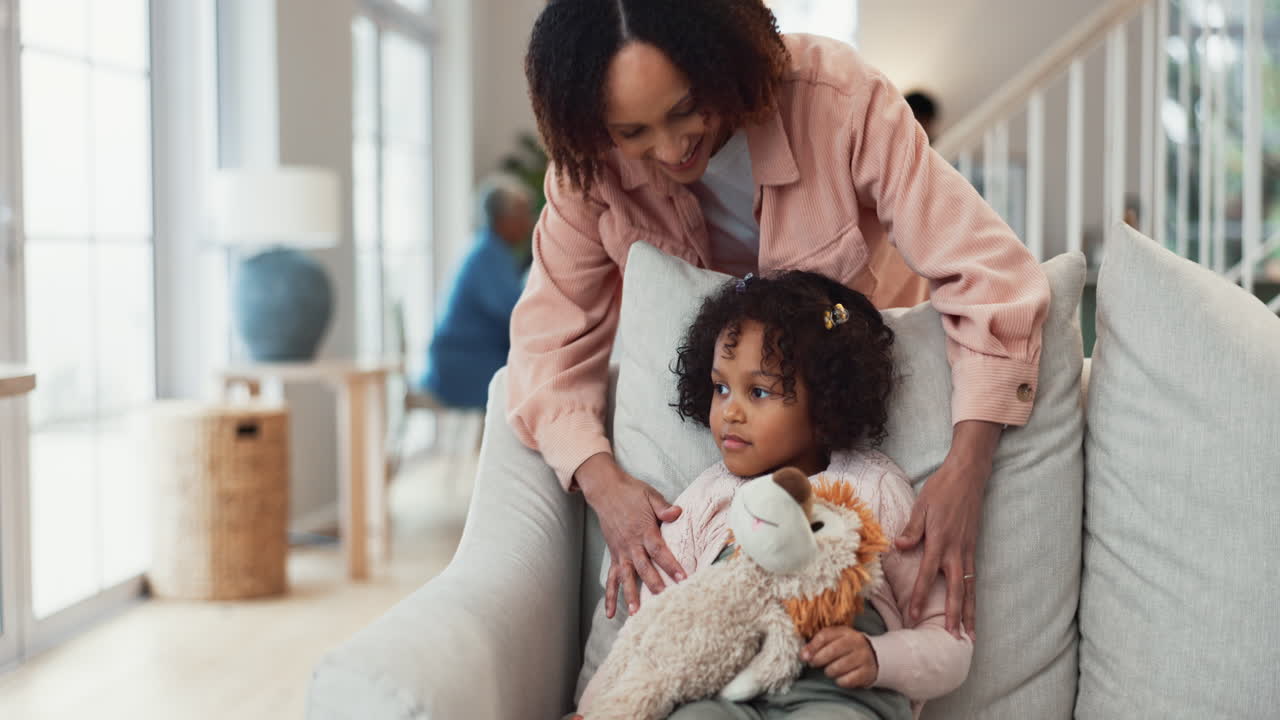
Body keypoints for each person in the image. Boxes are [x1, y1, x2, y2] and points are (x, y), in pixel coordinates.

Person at [510, 0, 1050, 639]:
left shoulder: (839, 99)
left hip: (855, 397)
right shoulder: (589, 170)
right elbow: (545, 347)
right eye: (633, 132)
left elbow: (996, 283)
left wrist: (966, 470)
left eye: (685, 109)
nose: (671, 146)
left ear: (721, 59)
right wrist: (606, 487)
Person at [418, 175, 533, 409]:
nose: (529, 223)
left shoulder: (491, 251)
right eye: (522, 214)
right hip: (463, 366)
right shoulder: (488, 256)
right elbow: (516, 313)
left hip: (471, 359)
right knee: (531, 388)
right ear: (503, 219)